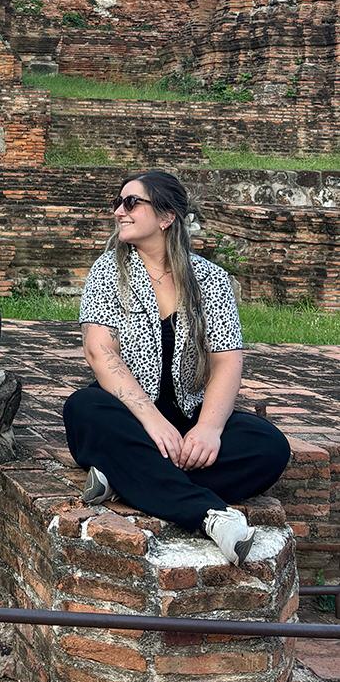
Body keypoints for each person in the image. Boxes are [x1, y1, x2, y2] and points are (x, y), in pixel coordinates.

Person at [63, 169, 290, 564]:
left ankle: (125, 480)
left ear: (166, 217)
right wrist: (151, 420)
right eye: (117, 203)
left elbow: (226, 361)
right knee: (83, 409)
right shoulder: (108, 272)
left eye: (131, 203)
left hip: (187, 420)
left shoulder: (211, 280)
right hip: (130, 418)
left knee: (269, 447)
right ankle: (210, 516)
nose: (119, 211)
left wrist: (208, 428)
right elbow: (101, 354)